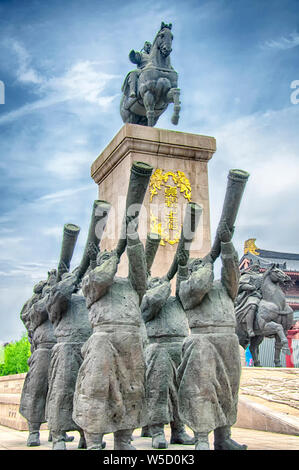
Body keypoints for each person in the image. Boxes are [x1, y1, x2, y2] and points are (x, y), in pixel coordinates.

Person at [72, 217, 148, 450]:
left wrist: (133, 239)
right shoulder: (91, 282)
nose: (110, 261)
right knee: (96, 390)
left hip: (131, 342)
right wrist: (112, 256)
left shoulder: (130, 285)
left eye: (112, 258)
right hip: (103, 341)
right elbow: (102, 276)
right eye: (103, 259)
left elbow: (139, 270)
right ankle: (94, 440)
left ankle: (123, 440)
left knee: (132, 391)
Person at [176, 222, 247, 450]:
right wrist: (206, 265)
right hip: (202, 342)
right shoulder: (187, 288)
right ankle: (201, 438)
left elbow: (233, 274)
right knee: (201, 390)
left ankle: (223, 437)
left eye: (204, 263)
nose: (203, 265)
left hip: (227, 340)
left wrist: (226, 245)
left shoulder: (224, 287)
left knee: (228, 390)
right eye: (197, 264)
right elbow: (199, 285)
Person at [141, 274, 194, 449]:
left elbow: (183, 283)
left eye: (162, 280)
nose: (160, 282)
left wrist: (182, 264)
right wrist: (164, 284)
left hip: (180, 346)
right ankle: (157, 431)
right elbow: (156, 299)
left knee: (181, 391)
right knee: (158, 390)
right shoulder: (147, 299)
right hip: (158, 346)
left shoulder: (177, 299)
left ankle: (179, 430)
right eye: (155, 280)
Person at [45, 270, 92, 450]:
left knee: (86, 392)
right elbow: (60, 293)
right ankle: (58, 436)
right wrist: (71, 277)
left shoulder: (85, 297)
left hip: (86, 347)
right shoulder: (57, 299)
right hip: (66, 348)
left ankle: (85, 435)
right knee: (62, 391)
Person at [19, 272, 57, 447]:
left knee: (59, 392)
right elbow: (33, 313)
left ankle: (56, 432)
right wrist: (47, 290)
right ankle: (33, 432)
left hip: (60, 348)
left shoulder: (57, 299)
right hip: (43, 350)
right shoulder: (36, 306)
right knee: (36, 391)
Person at [235, 263, 262, 338]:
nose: (257, 268)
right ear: (251, 268)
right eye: (256, 266)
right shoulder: (247, 275)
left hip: (262, 296)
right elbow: (240, 285)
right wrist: (250, 287)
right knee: (252, 305)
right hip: (251, 295)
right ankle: (249, 329)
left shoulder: (262, 276)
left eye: (258, 267)